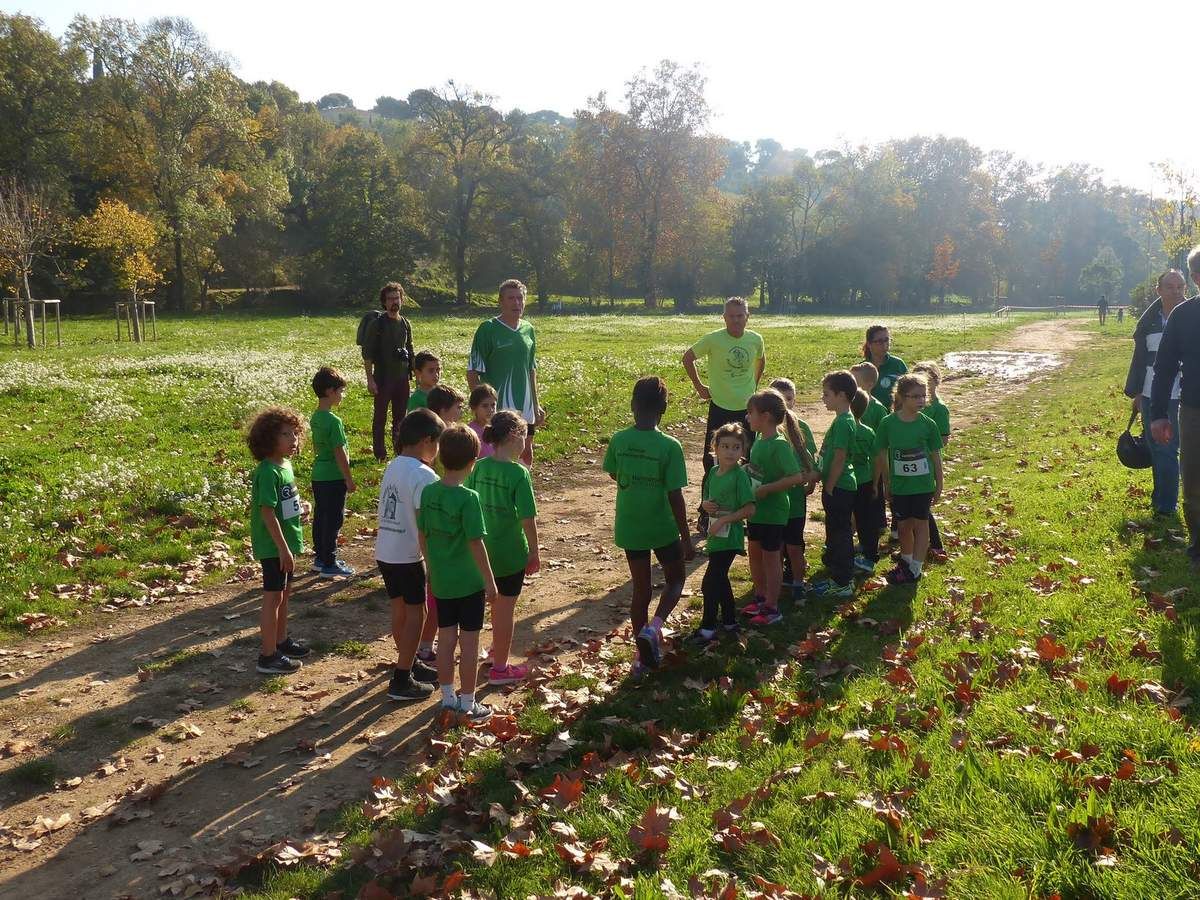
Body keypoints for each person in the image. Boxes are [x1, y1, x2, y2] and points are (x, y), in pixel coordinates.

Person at [602, 376, 694, 677]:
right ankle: (654, 629)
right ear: (664, 408)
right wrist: (686, 537)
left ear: (632, 405)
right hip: (662, 526)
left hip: (630, 526)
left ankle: (640, 660)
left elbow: (615, 474)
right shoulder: (670, 446)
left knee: (640, 590)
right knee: (676, 580)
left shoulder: (619, 440)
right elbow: (675, 494)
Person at [417, 424, 498, 723]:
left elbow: (422, 533)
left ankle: (447, 698)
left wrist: (430, 565)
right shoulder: (469, 498)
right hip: (468, 582)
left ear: (439, 457)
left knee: (446, 640)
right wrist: (490, 582)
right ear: (473, 461)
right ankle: (468, 702)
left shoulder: (428, 493)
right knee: (470, 643)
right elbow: (476, 543)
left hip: (442, 580)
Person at [466, 411, 540, 685]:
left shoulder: (479, 467)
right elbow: (527, 517)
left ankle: (495, 651)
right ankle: (500, 668)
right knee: (505, 610)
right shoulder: (519, 472)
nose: (527, 441)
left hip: (481, 551)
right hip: (510, 554)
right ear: (513, 436)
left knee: (490, 605)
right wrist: (534, 551)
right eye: (525, 435)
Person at [375, 408, 443, 701]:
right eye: (438, 443)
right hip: (408, 555)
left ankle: (409, 663)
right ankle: (402, 679)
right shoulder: (423, 474)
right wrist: (433, 562)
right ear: (428, 440)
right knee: (419, 613)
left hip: (386, 551)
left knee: (399, 610)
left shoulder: (394, 465)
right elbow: (425, 526)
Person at [682, 297, 766, 534]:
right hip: (719, 407)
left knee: (747, 461)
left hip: (747, 411)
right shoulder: (713, 339)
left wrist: (753, 389)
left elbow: (761, 361)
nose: (736, 320)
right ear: (724, 317)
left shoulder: (755, 339)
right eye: (731, 316)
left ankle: (742, 513)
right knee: (712, 461)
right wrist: (700, 388)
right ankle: (706, 514)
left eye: (740, 315)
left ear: (747, 316)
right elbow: (687, 358)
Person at [739, 389, 814, 624]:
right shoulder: (760, 441)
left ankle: (773, 607)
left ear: (767, 416)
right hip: (757, 509)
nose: (747, 417)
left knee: (771, 558)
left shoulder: (780, 445)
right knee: (754, 552)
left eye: (751, 413)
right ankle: (760, 596)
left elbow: (796, 477)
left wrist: (767, 489)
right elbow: (758, 470)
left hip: (774, 511)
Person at [246, 407, 310, 675]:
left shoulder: (285, 465)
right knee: (273, 597)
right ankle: (268, 655)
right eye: (286, 434)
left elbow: (286, 503)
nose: (293, 439)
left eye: (295, 433)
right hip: (274, 546)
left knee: (284, 594)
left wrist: (302, 508)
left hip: (288, 543)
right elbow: (267, 512)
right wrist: (283, 549)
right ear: (268, 438)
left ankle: (281, 641)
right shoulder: (267, 472)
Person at [1151, 246, 1200, 568]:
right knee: (1195, 480)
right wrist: (1157, 415)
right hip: (1195, 410)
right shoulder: (1183, 317)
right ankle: (1199, 546)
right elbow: (1164, 367)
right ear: (1197, 279)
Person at [689, 422, 755, 645]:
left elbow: (749, 508)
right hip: (715, 534)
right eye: (725, 446)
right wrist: (706, 505)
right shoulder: (713, 473)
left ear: (742, 451)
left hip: (731, 535)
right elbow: (707, 499)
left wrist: (726, 519)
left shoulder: (740, 476)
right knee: (721, 579)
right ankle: (729, 621)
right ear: (715, 448)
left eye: (736, 447)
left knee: (710, 581)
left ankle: (708, 627)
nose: (730, 451)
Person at [1126, 270, 1185, 518]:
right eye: (1170, 287)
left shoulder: (1190, 319)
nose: (1176, 291)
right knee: (1155, 448)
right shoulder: (1149, 323)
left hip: (1178, 397)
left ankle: (1166, 506)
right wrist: (1138, 393)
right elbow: (1140, 361)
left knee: (1168, 450)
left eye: (1180, 287)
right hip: (1150, 395)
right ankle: (1160, 497)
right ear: (1158, 290)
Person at [874, 374, 944, 584]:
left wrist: (939, 484)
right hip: (900, 486)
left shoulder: (928, 424)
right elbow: (881, 453)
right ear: (902, 397)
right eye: (915, 396)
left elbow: (935, 457)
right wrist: (886, 482)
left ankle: (915, 568)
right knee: (903, 526)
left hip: (922, 486)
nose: (921, 400)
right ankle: (906, 562)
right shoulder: (888, 423)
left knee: (921, 525)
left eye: (923, 396)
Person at [468, 279, 545, 467]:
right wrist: (481, 406)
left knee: (526, 454)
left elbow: (531, 369)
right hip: (499, 409)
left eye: (520, 298)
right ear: (500, 301)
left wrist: (536, 404)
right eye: (511, 298)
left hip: (525, 406)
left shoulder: (529, 329)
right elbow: (472, 372)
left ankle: (522, 492)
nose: (517, 303)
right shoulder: (487, 329)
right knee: (499, 455)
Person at [809, 372, 859, 598]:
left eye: (827, 394)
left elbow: (839, 457)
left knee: (840, 533)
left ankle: (843, 581)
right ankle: (837, 575)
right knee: (835, 531)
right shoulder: (842, 419)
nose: (823, 398)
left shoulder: (843, 422)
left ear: (841, 395)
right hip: (836, 485)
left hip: (839, 486)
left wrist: (829, 485)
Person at [769, 377, 818, 592]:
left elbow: (810, 460)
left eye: (789, 399)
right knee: (775, 544)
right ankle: (776, 583)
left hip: (795, 497)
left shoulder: (801, 426)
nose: (785, 404)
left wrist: (810, 480)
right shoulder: (766, 429)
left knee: (795, 544)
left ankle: (798, 582)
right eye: (780, 399)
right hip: (774, 498)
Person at [310, 367, 356, 578]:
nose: (342, 396)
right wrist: (349, 479)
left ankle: (320, 557)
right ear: (330, 391)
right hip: (334, 476)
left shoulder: (316, 417)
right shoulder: (333, 421)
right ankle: (330, 561)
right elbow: (340, 452)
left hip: (318, 474)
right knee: (334, 520)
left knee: (321, 516)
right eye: (340, 391)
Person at [363, 282, 414, 461]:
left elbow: (410, 348)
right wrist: (370, 379)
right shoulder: (377, 325)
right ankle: (380, 453)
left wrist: (414, 372)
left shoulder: (406, 324)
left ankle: (400, 452)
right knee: (380, 418)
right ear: (384, 302)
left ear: (402, 300)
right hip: (383, 378)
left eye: (397, 298)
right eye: (390, 299)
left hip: (402, 379)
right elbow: (367, 353)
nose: (394, 302)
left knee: (401, 418)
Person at [911, 361, 950, 563]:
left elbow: (942, 439)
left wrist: (922, 445)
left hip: (926, 464)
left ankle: (935, 546)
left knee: (923, 508)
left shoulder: (939, 409)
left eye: (927, 380)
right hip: (911, 463)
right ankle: (913, 547)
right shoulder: (915, 405)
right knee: (913, 507)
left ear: (936, 381)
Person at [848, 389, 882, 575]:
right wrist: (876, 482)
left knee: (855, 519)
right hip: (865, 481)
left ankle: (867, 556)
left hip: (847, 482)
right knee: (866, 519)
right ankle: (868, 552)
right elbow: (877, 459)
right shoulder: (868, 432)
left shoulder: (841, 429)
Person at [862, 326, 907, 410]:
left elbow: (909, 392)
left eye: (886, 340)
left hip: (894, 416)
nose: (884, 344)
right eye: (879, 341)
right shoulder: (861, 369)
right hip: (870, 416)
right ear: (869, 344)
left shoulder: (898, 365)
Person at [851, 362, 890, 433]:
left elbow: (885, 434)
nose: (850, 385)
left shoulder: (878, 409)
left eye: (854, 382)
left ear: (869, 385)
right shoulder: (846, 404)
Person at [468, 384, 498, 458]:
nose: (490, 409)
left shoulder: (499, 428)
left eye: (493, 405)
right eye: (485, 406)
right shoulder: (470, 432)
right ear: (474, 408)